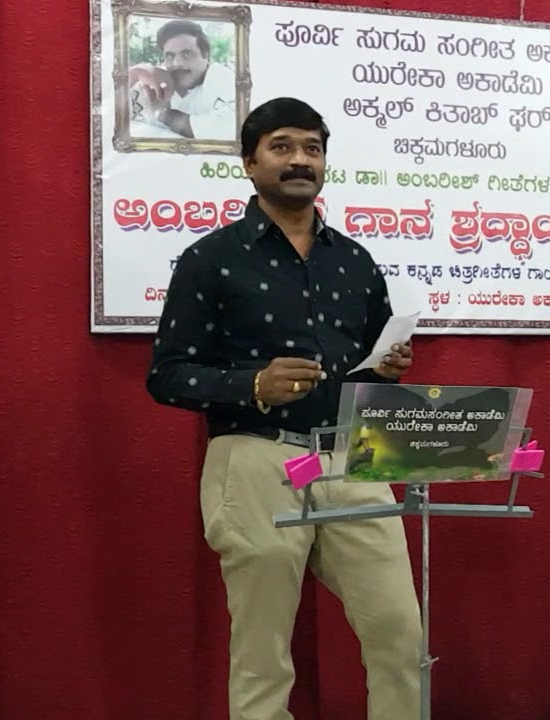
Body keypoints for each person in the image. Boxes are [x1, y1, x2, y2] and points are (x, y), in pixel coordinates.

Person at [146, 97, 421, 720]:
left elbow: (374, 355)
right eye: (282, 146)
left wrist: (390, 364)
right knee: (263, 652)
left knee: (401, 634)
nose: (300, 159)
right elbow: (166, 376)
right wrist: (252, 387)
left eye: (312, 148)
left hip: (352, 458)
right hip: (254, 459)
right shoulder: (209, 260)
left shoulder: (353, 260)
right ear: (249, 163)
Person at [129, 19, 237, 139]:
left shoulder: (220, 76)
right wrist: (133, 74)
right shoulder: (154, 82)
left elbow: (227, 128)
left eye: (186, 54)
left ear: (205, 55)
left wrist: (163, 113)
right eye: (170, 56)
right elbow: (110, 121)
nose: (177, 63)